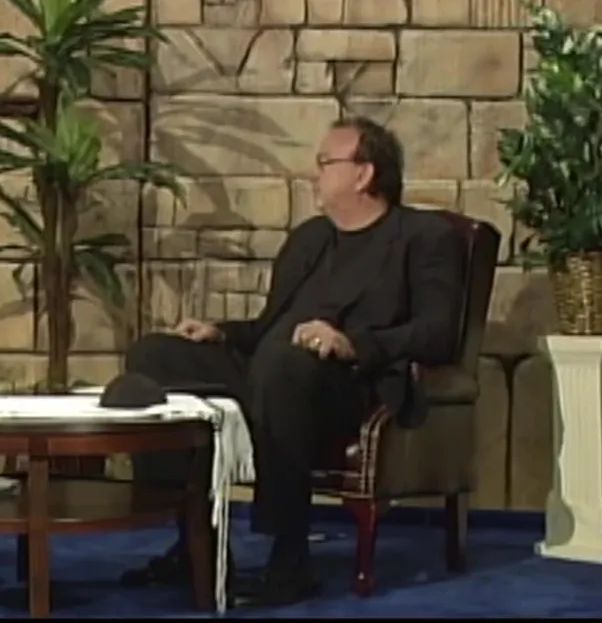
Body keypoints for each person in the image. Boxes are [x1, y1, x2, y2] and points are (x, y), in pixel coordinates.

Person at [120, 118, 467, 608]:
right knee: (153, 354)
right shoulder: (310, 239)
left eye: (325, 163)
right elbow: (269, 327)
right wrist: (221, 332)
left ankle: (290, 561)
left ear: (364, 173)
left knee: (283, 364)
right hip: (271, 370)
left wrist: (352, 344)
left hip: (348, 383)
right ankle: (196, 542)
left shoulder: (423, 237)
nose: (313, 174)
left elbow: (437, 334)